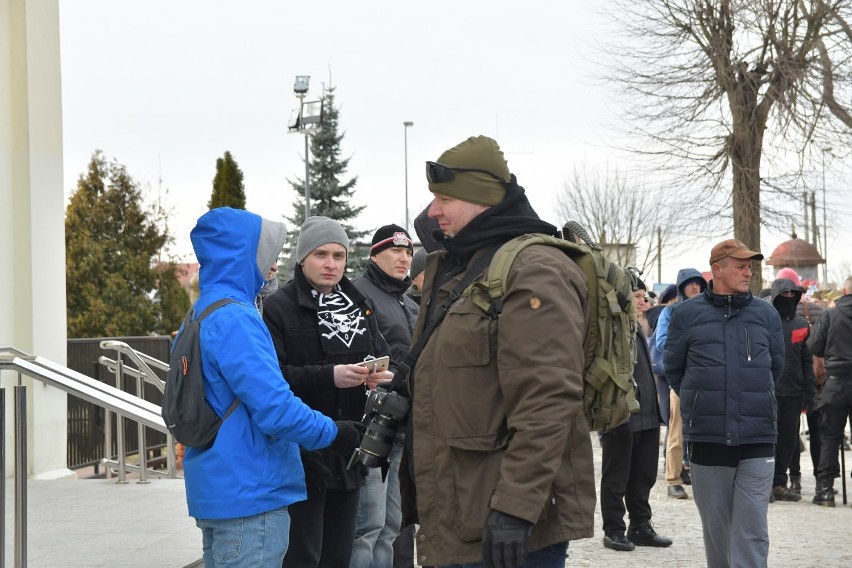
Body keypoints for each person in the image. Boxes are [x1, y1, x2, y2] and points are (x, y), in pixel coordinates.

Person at [400, 135, 596, 567]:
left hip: (504, 522)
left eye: (444, 198)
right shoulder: (461, 267)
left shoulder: (535, 271)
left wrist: (516, 506)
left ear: (480, 200)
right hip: (460, 511)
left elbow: (548, 399)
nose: (433, 212)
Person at [183, 207, 364, 568]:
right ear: (243, 256)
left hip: (217, 485)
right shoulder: (237, 319)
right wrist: (336, 432)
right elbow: (275, 407)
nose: (272, 266)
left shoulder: (202, 310)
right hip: (251, 490)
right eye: (267, 254)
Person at [262, 216, 394, 568]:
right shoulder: (279, 306)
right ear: (302, 258)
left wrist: (377, 375)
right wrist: (329, 376)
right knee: (304, 554)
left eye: (338, 255)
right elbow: (274, 379)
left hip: (348, 446)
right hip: (300, 449)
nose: (331, 263)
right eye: (321, 254)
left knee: (339, 554)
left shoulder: (358, 304)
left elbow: (380, 353)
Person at [665, 239, 784, 568]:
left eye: (751, 266)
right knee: (717, 532)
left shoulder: (766, 314)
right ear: (717, 269)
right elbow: (675, 370)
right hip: (708, 438)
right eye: (741, 266)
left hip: (757, 437)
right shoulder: (685, 315)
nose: (749, 272)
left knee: (752, 532)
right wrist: (700, 397)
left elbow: (776, 366)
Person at [350, 224, 420, 568]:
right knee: (368, 527)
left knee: (392, 524)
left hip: (402, 422)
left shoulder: (406, 300)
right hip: (371, 423)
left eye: (408, 252)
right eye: (395, 250)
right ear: (375, 255)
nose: (403, 258)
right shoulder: (357, 294)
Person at [599, 277, 672, 552]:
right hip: (621, 412)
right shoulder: (612, 326)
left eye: (644, 296)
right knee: (616, 474)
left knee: (644, 474)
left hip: (647, 412)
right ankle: (614, 530)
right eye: (637, 296)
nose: (643, 301)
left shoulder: (640, 325)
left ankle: (641, 525)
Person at [656, 268, 707, 499]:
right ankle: (672, 479)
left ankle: (695, 474)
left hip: (707, 379)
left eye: (698, 283)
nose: (695, 287)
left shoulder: (709, 311)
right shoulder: (671, 311)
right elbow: (662, 343)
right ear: (681, 286)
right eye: (690, 283)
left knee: (704, 431)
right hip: (681, 379)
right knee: (677, 430)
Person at [769, 278, 816, 502]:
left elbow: (806, 361)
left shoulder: (801, 325)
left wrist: (809, 392)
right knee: (768, 439)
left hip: (794, 391)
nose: (789, 298)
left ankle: (779, 482)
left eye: (792, 294)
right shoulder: (767, 322)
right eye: (784, 294)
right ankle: (766, 484)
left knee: (788, 440)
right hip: (770, 391)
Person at [808, 276, 852, 507]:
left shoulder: (830, 314)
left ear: (844, 291)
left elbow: (814, 346)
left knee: (830, 436)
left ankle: (825, 489)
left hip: (836, 382)